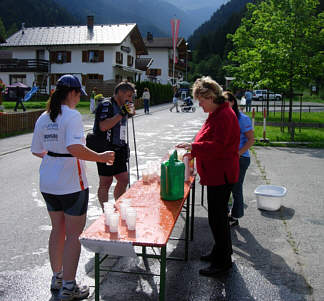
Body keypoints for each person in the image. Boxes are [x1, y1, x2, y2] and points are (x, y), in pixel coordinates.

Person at [31, 74, 115, 300]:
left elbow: (36, 150)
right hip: (71, 183)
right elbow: (75, 148)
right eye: (79, 95)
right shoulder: (72, 116)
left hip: (48, 181)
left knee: (57, 230)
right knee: (73, 235)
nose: (79, 99)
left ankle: (57, 277)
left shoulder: (43, 117)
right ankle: (69, 286)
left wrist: (55, 157)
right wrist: (101, 157)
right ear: (73, 93)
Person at [176, 76, 240, 277]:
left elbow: (219, 147)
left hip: (221, 175)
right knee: (217, 218)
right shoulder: (217, 113)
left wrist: (194, 147)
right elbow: (208, 139)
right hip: (217, 174)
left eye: (201, 101)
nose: (200, 105)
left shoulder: (223, 116)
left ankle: (223, 262)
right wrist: (194, 150)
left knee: (217, 219)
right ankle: (220, 252)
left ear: (211, 97)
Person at [88, 81, 135, 211]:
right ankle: (106, 212)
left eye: (132, 96)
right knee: (105, 182)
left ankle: (118, 207)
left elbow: (128, 117)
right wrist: (121, 114)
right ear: (120, 93)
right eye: (129, 95)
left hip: (119, 148)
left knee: (124, 179)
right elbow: (103, 126)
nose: (131, 99)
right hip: (105, 149)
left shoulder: (122, 106)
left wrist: (129, 112)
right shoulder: (106, 105)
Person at [224, 91, 254, 227]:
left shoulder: (242, 118)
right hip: (225, 159)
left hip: (240, 159)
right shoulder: (222, 118)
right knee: (223, 188)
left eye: (226, 101)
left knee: (236, 188)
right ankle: (224, 214)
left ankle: (235, 217)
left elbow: (251, 140)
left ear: (233, 102)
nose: (224, 105)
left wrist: (238, 153)